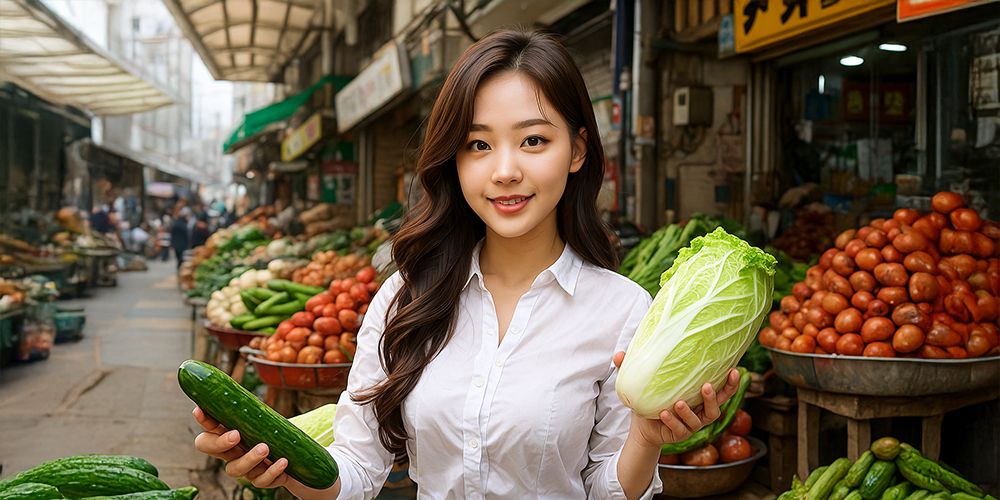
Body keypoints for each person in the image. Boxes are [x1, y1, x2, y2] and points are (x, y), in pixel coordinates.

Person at [192, 29, 740, 500]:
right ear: (453, 160)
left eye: (532, 140)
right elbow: (356, 473)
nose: (504, 170)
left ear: (576, 151)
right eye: (478, 145)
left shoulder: (622, 310)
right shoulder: (405, 299)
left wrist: (645, 438)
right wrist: (283, 469)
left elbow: (605, 490)